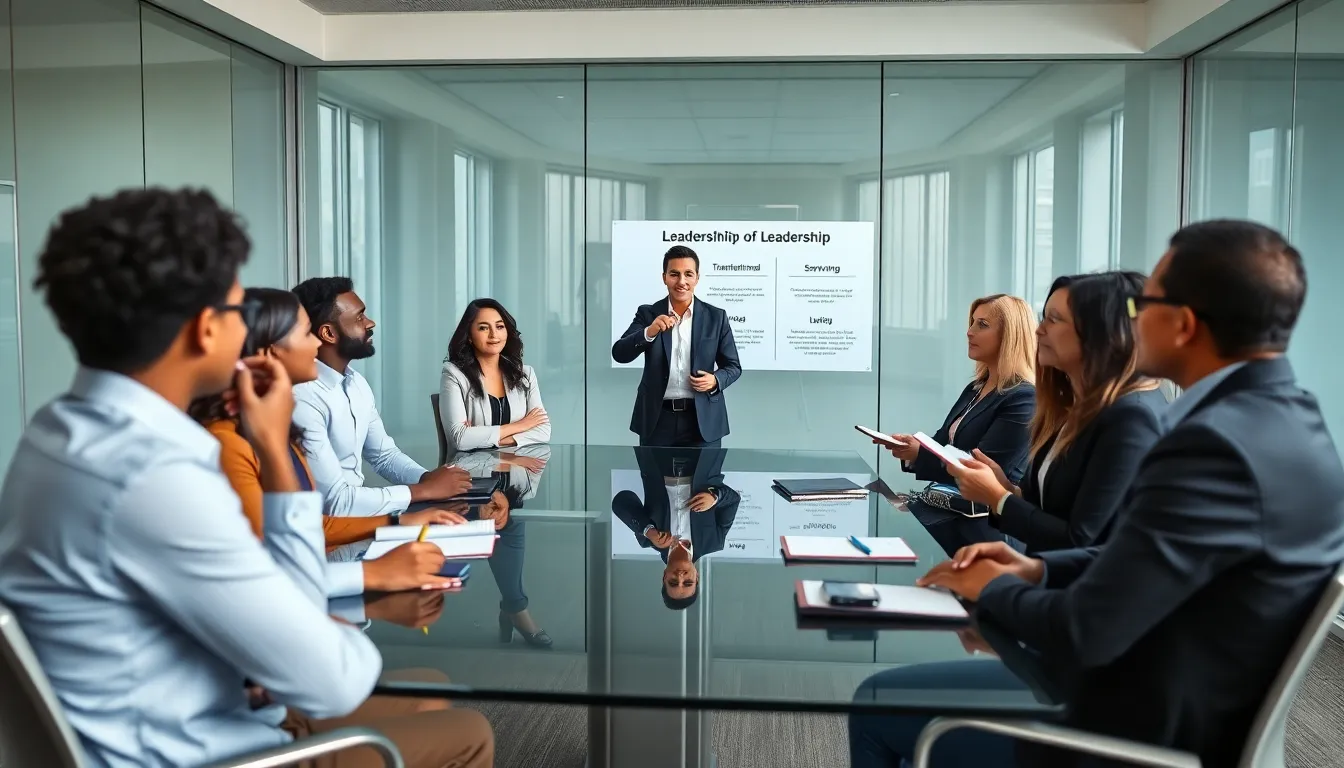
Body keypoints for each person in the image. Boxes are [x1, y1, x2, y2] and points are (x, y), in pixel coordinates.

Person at [0, 188, 493, 768]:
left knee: (429, 696)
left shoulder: (55, 432)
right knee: (469, 733)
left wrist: (274, 450)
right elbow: (334, 677)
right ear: (206, 330)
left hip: (195, 705)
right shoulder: (157, 478)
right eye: (238, 310)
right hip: (209, 749)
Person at [852, 220, 1344, 768]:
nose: (1130, 319)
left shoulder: (1211, 445)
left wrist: (990, 590)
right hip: (1171, 690)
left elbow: (1085, 631)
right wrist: (1034, 572)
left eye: (1143, 305)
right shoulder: (1289, 420)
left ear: (1181, 324)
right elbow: (1139, 561)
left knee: (876, 701)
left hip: (1132, 729)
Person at [189, 287, 469, 595]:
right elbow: (275, 564)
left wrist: (400, 521)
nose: (314, 342)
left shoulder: (279, 424)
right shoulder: (232, 442)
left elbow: (313, 525)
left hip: (326, 570)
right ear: (269, 354)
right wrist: (373, 573)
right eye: (303, 333)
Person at [944, 272, 1168, 553]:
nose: (1038, 331)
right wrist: (1006, 488)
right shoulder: (1070, 406)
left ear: (1099, 332)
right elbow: (1051, 507)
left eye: (1054, 319)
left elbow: (1082, 541)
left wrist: (998, 497)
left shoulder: (1131, 416)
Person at [291, 276, 471, 519]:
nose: (370, 322)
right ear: (329, 333)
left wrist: (429, 480)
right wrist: (423, 490)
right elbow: (335, 502)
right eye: (359, 317)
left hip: (360, 520)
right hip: (330, 534)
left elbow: (384, 455)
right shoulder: (302, 396)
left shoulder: (356, 383)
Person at [880, 294, 1037, 555]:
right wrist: (913, 446)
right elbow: (943, 441)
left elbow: (982, 467)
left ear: (1010, 335)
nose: (969, 332)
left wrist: (921, 455)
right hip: (949, 511)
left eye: (982, 325)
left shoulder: (1024, 398)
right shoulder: (976, 387)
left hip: (982, 526)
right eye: (972, 323)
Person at [611, 245, 742, 447]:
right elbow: (620, 353)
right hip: (657, 419)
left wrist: (715, 380)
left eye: (688, 274)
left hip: (703, 420)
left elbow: (733, 367)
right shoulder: (648, 314)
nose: (682, 282)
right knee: (654, 478)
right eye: (674, 274)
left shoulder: (716, 317)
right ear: (664, 277)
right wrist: (650, 331)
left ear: (697, 277)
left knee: (705, 479)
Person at [611, 447, 741, 610]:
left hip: (657, 451)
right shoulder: (714, 541)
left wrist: (648, 530)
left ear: (664, 576)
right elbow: (733, 500)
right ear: (697, 577)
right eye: (688, 582)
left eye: (673, 582)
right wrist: (715, 497)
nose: (680, 576)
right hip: (703, 451)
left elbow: (621, 501)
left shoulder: (647, 539)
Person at [439, 298, 550, 452]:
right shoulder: (453, 374)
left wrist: (483, 437)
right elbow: (460, 439)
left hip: (518, 469)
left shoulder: (525, 374)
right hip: (472, 472)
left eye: (499, 326)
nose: (494, 334)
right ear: (469, 335)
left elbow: (543, 431)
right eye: (484, 328)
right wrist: (521, 426)